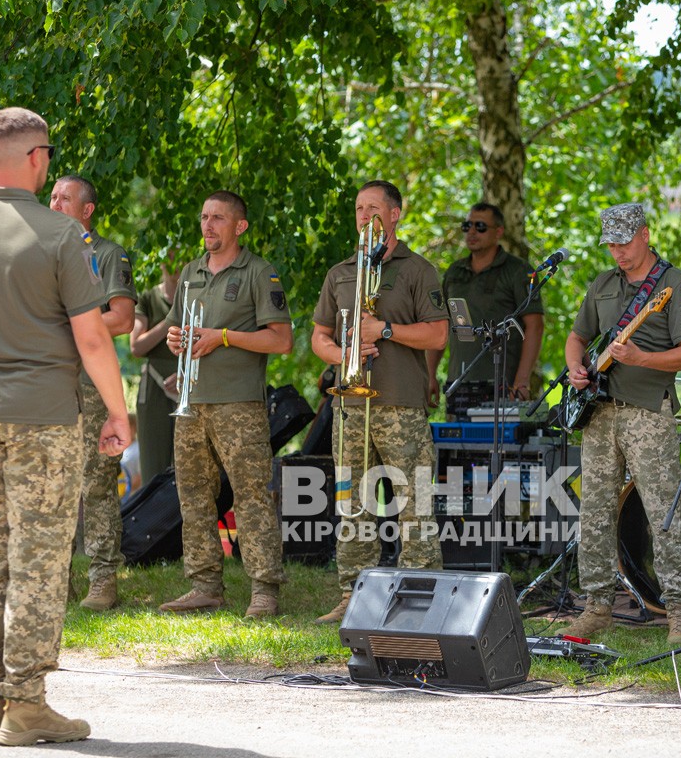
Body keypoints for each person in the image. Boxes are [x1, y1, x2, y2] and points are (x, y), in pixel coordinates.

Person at [0, 107, 131, 746]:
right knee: (40, 562)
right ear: (38, 159)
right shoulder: (59, 236)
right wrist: (119, 414)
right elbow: (93, 338)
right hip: (43, 421)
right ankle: (27, 702)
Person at [560, 202, 681, 644]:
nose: (618, 253)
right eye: (611, 245)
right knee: (595, 511)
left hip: (648, 410)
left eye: (624, 243)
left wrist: (642, 358)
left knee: (661, 510)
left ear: (644, 234)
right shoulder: (603, 284)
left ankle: (679, 609)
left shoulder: (676, 286)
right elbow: (577, 336)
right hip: (600, 412)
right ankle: (597, 605)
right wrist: (575, 368)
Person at [311, 180, 449, 623]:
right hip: (349, 403)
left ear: (395, 214)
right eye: (358, 208)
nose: (363, 216)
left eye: (373, 208)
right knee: (352, 502)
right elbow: (318, 337)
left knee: (414, 501)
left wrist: (384, 331)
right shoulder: (340, 272)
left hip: (400, 406)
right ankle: (355, 595)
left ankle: (420, 595)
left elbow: (438, 333)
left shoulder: (418, 269)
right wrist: (343, 355)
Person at [157, 191, 293, 617]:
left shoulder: (259, 272)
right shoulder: (191, 272)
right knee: (194, 495)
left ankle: (264, 589)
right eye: (203, 217)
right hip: (192, 401)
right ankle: (204, 585)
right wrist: (174, 339)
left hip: (239, 405)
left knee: (251, 495)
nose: (208, 225)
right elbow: (180, 329)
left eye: (218, 218)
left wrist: (225, 337)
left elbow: (282, 340)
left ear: (240, 226)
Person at [49, 174, 136, 612]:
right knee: (50, 486)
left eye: (66, 198)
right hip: (44, 384)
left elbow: (121, 319)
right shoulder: (37, 253)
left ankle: (102, 580)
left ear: (87, 210)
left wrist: (68, 326)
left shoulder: (105, 254)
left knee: (97, 485)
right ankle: (53, 583)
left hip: (91, 386)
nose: (56, 202)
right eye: (52, 196)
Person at [425, 202, 544, 416]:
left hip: (502, 384)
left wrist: (522, 380)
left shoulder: (518, 271)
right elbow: (440, 325)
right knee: (457, 448)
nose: (471, 232)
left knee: (496, 448)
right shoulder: (455, 272)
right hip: (458, 383)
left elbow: (535, 326)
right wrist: (430, 373)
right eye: (467, 226)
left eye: (480, 226)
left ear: (498, 231)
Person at [130, 258, 182, 484]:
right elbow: (136, 346)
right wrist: (170, 321)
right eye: (169, 255)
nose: (175, 262)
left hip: (190, 384)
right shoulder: (149, 297)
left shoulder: (197, 298)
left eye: (180, 255)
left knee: (190, 467)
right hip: (154, 388)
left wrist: (185, 375)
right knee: (154, 468)